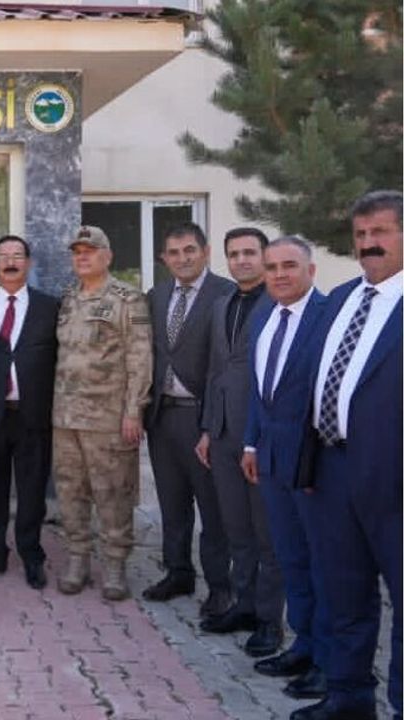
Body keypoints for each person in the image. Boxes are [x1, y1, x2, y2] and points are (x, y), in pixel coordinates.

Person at [295, 190, 402, 720]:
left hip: (394, 480)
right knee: (344, 593)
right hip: (332, 472)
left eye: (381, 232)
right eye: (361, 235)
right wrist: (307, 463)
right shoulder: (338, 299)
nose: (368, 245)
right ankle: (349, 697)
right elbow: (312, 386)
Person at [240, 236, 329, 704]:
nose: (278, 274)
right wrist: (252, 442)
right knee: (291, 557)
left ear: (311, 270)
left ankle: (328, 661)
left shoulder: (329, 316)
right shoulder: (266, 317)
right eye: (272, 266)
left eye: (289, 266)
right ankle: (303, 644)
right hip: (271, 458)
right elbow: (260, 389)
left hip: (314, 463)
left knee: (322, 563)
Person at [194, 228, 285, 657]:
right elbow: (215, 371)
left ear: (264, 256)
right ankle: (244, 606)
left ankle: (270, 620)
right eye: (235, 254)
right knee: (237, 529)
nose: (242, 260)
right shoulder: (221, 305)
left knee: (268, 533)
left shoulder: (282, 302)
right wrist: (209, 430)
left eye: (250, 252)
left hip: (264, 437)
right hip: (226, 433)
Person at [52, 226, 151, 601]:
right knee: (70, 492)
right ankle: (78, 558)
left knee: (112, 493)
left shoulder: (128, 299)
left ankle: (114, 564)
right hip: (65, 417)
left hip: (108, 418)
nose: (82, 257)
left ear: (107, 256)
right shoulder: (68, 299)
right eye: (77, 251)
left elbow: (140, 359)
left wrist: (133, 411)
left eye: (90, 251)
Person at [142, 222, 236, 616]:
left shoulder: (226, 295)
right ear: (164, 258)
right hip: (163, 417)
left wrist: (210, 427)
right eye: (174, 252)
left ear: (205, 251)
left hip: (202, 419)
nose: (182, 259)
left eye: (189, 251)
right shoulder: (156, 295)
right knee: (172, 502)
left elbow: (225, 366)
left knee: (213, 509)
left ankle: (220, 586)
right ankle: (178, 572)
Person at [0, 235, 58, 590]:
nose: (10, 262)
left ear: (29, 263)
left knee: (32, 490)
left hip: (33, 415)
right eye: (4, 256)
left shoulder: (51, 307)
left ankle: (31, 554)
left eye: (17, 256)